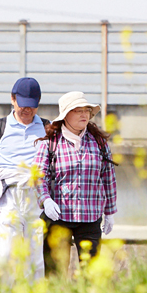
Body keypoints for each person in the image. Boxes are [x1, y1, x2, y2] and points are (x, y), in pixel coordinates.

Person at [35, 91, 118, 274]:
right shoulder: (50, 143)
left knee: (91, 273)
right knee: (55, 273)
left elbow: (108, 177)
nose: (83, 114)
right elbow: (39, 177)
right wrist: (45, 200)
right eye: (77, 110)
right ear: (65, 116)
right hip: (59, 217)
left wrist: (110, 212)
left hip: (90, 216)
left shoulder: (98, 143)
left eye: (86, 110)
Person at [0, 77, 49, 282]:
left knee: (35, 258)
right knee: (4, 255)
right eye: (22, 104)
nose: (27, 110)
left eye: (31, 106)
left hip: (37, 197)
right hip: (8, 195)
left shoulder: (47, 127)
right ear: (12, 99)